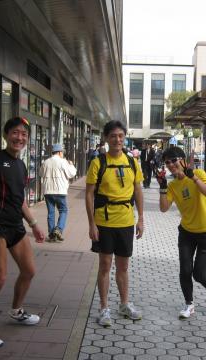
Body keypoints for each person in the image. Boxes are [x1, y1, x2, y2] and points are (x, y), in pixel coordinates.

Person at [0, 117, 45, 348]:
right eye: (15, 133)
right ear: (6, 135)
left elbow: (20, 200)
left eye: (24, 134)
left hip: (17, 227)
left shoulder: (21, 165)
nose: (20, 138)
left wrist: (34, 224)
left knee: (29, 271)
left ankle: (16, 311)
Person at [85, 120, 144, 327]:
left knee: (123, 266)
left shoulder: (132, 162)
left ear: (124, 137)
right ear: (106, 138)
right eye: (113, 136)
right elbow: (89, 194)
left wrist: (141, 219)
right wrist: (91, 224)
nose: (117, 139)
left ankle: (124, 304)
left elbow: (137, 190)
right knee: (104, 265)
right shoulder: (98, 162)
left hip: (126, 221)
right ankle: (103, 308)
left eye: (120, 135)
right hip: (104, 221)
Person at [156, 147, 206, 319]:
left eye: (174, 160)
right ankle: (189, 305)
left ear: (183, 160)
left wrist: (192, 176)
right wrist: (163, 188)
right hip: (187, 232)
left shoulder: (199, 173)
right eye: (167, 162)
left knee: (199, 273)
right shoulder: (173, 185)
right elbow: (164, 209)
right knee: (185, 270)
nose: (171, 165)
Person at [40, 143, 77, 242]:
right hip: (60, 191)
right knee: (63, 210)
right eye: (62, 152)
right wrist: (71, 165)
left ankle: (52, 234)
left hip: (48, 191)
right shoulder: (63, 162)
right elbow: (72, 173)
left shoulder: (46, 162)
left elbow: (40, 173)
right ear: (60, 152)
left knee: (51, 213)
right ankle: (59, 229)